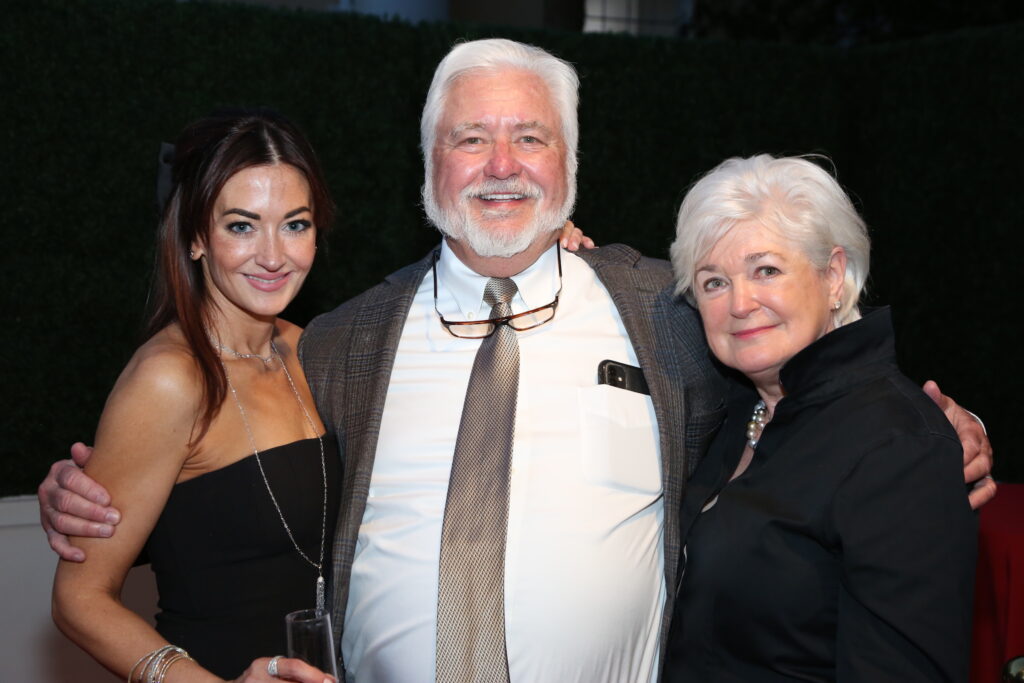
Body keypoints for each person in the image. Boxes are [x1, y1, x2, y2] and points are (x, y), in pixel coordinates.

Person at [40, 40, 992, 682]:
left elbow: (794, 369)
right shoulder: (338, 343)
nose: (502, 164)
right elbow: (221, 444)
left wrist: (928, 428)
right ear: (429, 169)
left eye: (530, 137)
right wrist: (89, 489)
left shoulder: (666, 311)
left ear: (570, 165)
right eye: (471, 138)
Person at [50, 109, 342, 683]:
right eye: (241, 225)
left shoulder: (311, 352)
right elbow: (79, 600)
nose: (273, 255)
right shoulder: (169, 378)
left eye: (295, 224)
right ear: (194, 237)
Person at [664, 154, 978, 681]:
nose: (740, 303)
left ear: (833, 276)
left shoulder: (896, 446)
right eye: (714, 282)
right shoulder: (736, 406)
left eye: (766, 270)